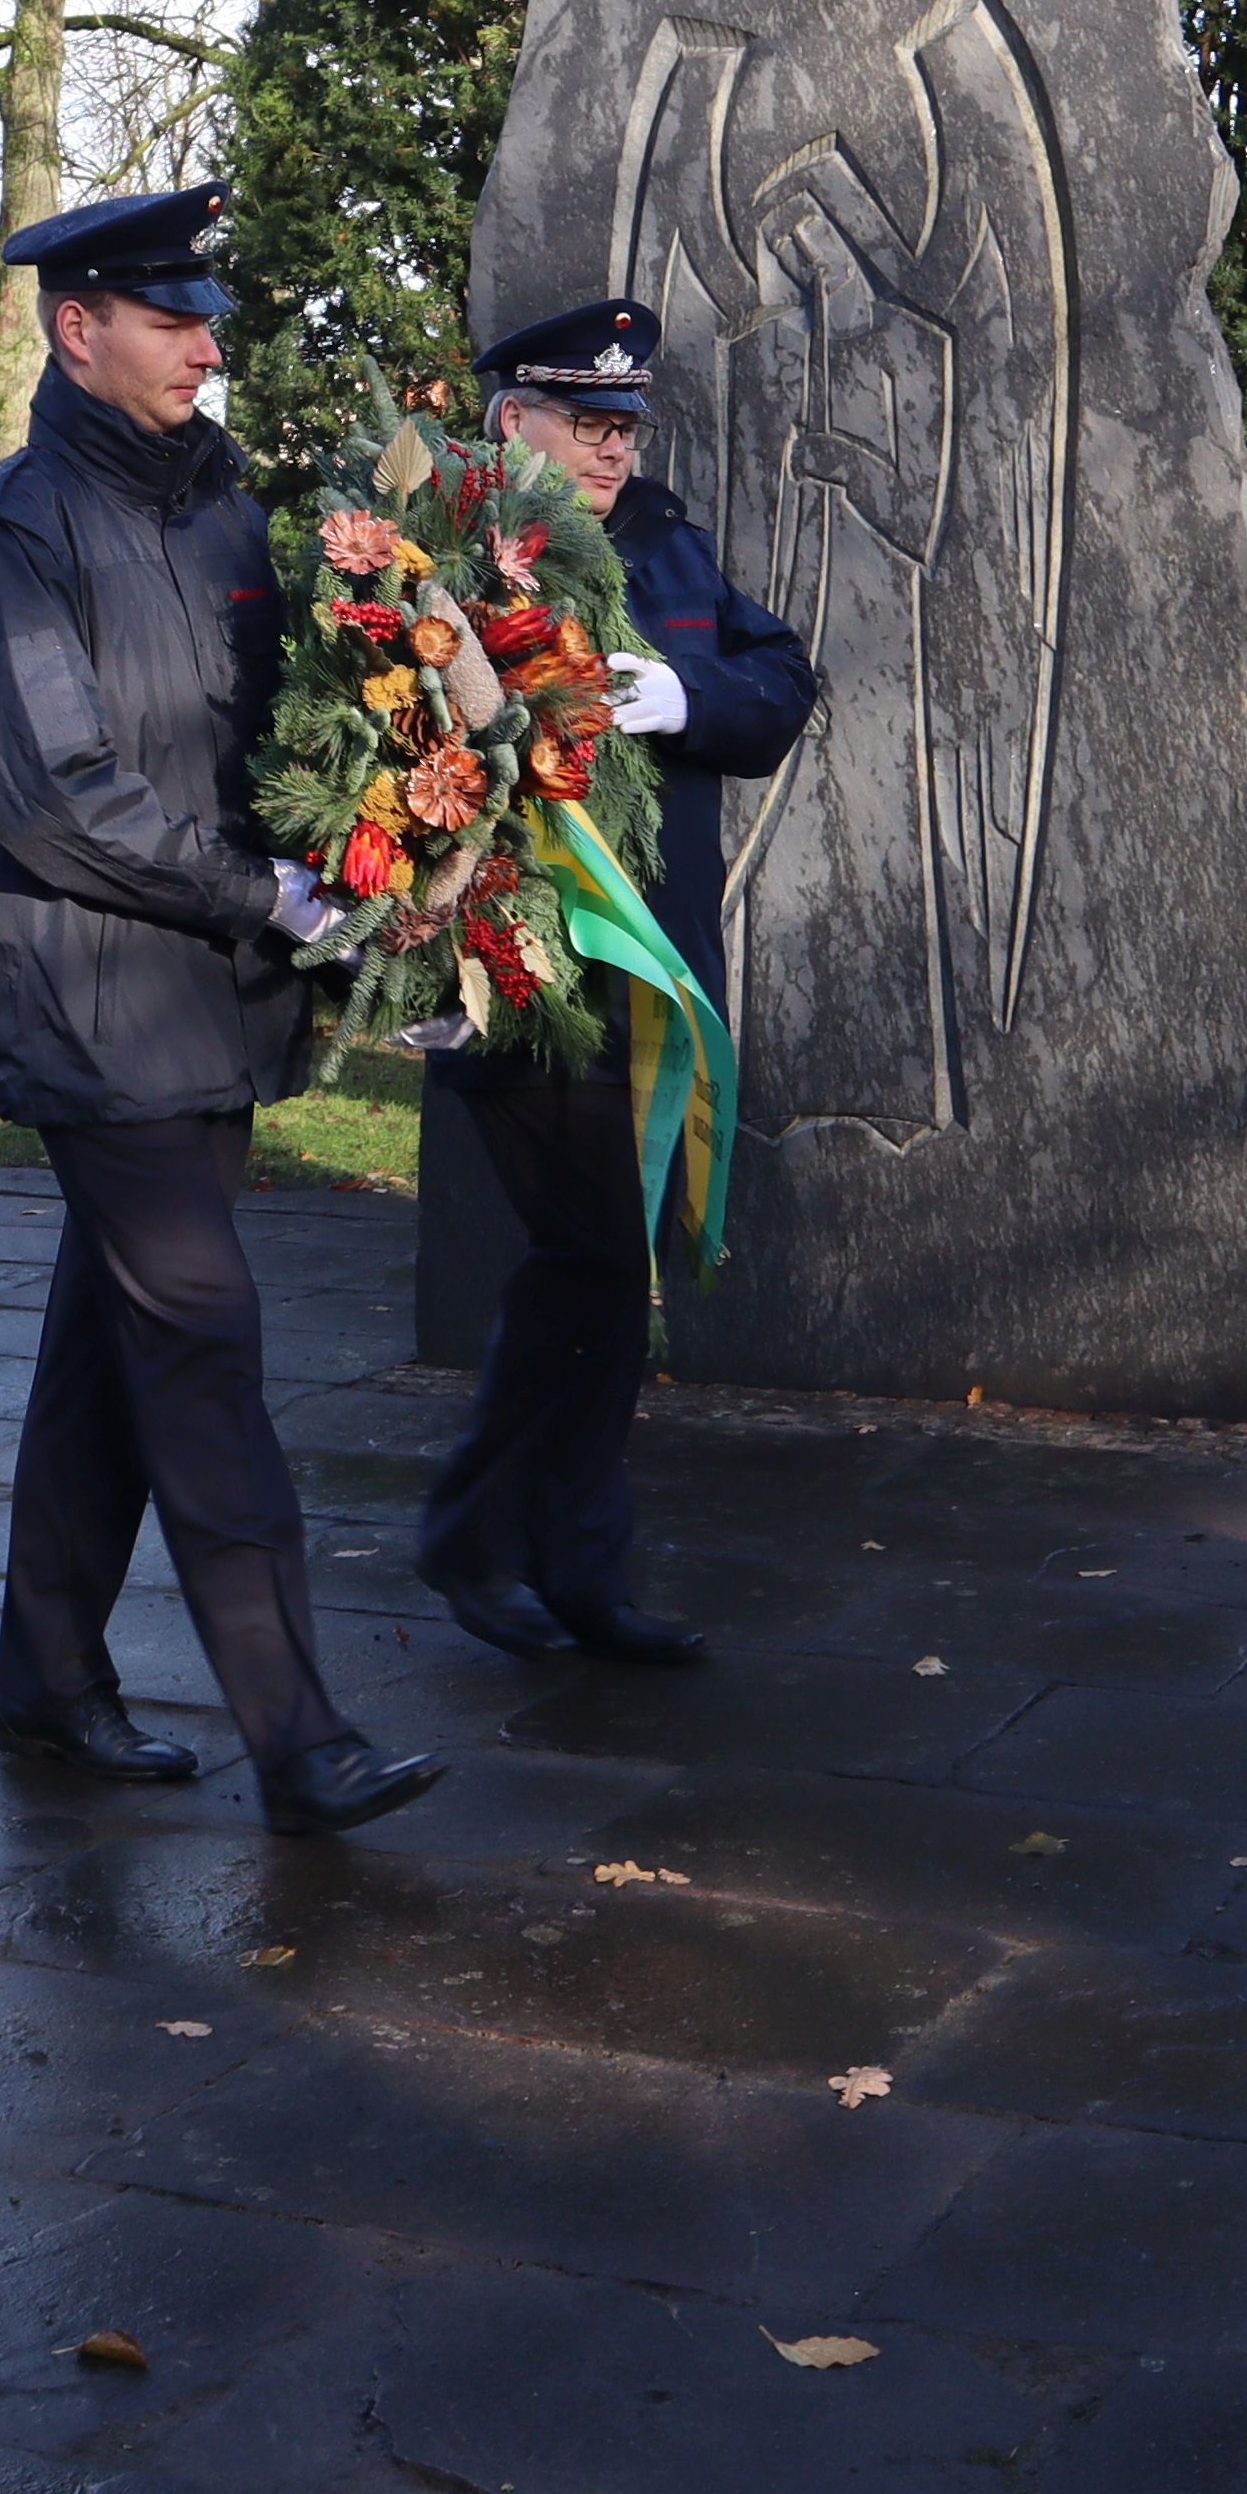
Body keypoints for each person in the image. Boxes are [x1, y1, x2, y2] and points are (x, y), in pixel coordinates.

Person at [0, 183, 438, 1836]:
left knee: (113, 1349)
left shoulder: (224, 511)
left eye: (207, 323)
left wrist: (392, 849)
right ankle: (297, 1732)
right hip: (99, 1002)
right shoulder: (14, 536)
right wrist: (264, 897)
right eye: (173, 322)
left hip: (215, 996)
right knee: (203, 1346)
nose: (208, 351)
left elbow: (280, 740)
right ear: (78, 330)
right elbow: (56, 795)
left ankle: (47, 1677)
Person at [413, 296, 821, 1667]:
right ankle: (493, 1537)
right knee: (591, 1258)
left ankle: (560, 1558)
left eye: (624, 424)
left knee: (601, 1272)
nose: (612, 448)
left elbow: (781, 676)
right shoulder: (444, 555)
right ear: (507, 421)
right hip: (523, 961)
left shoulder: (662, 537)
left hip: (655, 964)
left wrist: (684, 694)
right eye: (584, 421)